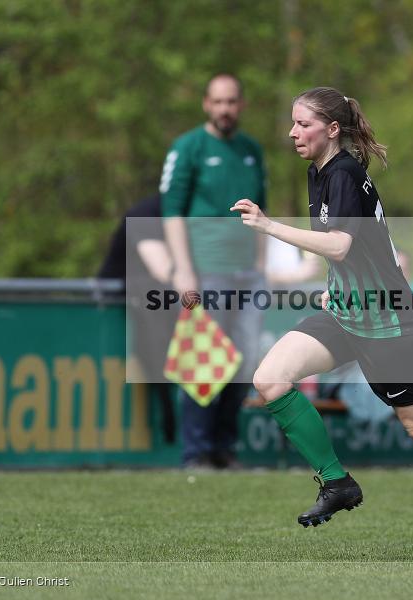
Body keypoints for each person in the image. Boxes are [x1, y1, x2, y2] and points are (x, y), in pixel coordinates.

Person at [231, 86, 413, 562]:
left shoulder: (344, 172)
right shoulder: (322, 171)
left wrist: (268, 226)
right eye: (292, 123)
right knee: (270, 378)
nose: (292, 132)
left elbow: (342, 244)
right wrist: (337, 283)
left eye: (303, 124)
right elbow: (357, 248)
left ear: (332, 130)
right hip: (347, 312)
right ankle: (336, 482)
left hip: (386, 322)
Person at [160, 74, 267, 469]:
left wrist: (260, 266)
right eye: (218, 101)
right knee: (204, 360)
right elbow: (171, 212)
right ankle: (197, 452)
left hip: (246, 275)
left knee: (244, 360)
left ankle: (225, 447)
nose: (225, 109)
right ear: (206, 103)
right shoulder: (188, 148)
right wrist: (184, 270)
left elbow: (261, 213)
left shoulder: (252, 150)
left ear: (242, 104)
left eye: (232, 101)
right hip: (206, 270)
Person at [98, 194, 178, 443]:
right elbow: (162, 270)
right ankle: (168, 430)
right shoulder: (145, 213)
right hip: (125, 303)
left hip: (161, 302)